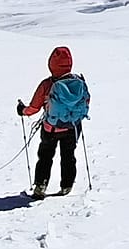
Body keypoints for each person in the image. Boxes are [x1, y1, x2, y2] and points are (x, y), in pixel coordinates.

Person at [17, 46, 90, 199]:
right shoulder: (78, 82)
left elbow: (34, 108)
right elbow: (86, 101)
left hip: (51, 128)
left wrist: (23, 110)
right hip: (72, 127)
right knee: (68, 155)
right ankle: (67, 185)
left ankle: (40, 186)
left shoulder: (47, 85)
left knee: (45, 156)